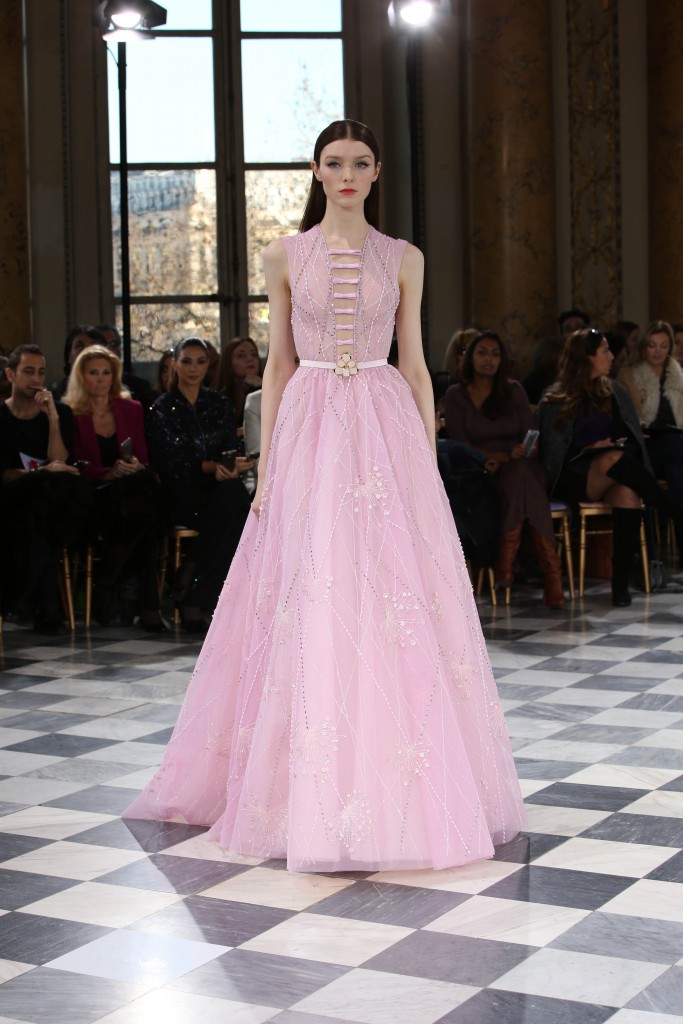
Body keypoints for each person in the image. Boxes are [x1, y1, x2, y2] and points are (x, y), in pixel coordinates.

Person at [124, 119, 525, 872]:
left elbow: (414, 364)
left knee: (388, 588)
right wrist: (270, 466)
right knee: (309, 585)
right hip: (310, 426)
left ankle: (397, 776)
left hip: (381, 423)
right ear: (315, 170)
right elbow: (277, 366)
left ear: (376, 172)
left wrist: (425, 457)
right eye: (334, 162)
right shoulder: (285, 254)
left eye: (360, 163)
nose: (346, 174)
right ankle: (296, 786)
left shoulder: (404, 258)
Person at [537, 328, 683, 606]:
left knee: (628, 494)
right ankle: (674, 511)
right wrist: (589, 449)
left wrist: (616, 444)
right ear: (587, 357)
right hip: (572, 475)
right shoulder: (556, 396)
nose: (612, 356)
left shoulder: (614, 391)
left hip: (613, 469)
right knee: (612, 458)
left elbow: (632, 439)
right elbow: (552, 453)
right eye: (605, 351)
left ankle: (620, 584)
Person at [444, 332, 564, 607]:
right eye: (482, 352)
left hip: (519, 466)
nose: (489, 359)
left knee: (521, 475)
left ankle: (506, 562)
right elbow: (459, 444)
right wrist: (500, 456)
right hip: (480, 472)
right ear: (470, 357)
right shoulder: (456, 395)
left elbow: (532, 436)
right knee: (523, 483)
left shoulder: (514, 391)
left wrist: (524, 451)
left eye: (495, 354)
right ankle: (551, 576)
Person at [146, 337, 254, 631]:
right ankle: (195, 594)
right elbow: (168, 461)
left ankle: (189, 575)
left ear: (209, 366)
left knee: (236, 498)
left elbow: (231, 446)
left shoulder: (219, 404)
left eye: (200, 362)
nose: (193, 369)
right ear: (174, 364)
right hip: (178, 491)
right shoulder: (162, 407)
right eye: (186, 362)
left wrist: (232, 465)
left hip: (215, 489)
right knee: (233, 513)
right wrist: (211, 466)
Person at [64, 345, 167, 631]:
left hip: (131, 494)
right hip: (96, 496)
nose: (100, 379)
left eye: (106, 373)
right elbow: (76, 465)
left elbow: (143, 458)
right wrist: (108, 473)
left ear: (114, 376)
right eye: (93, 373)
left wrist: (132, 466)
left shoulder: (131, 409)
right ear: (81, 376)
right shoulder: (71, 413)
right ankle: (146, 605)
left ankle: (108, 580)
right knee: (146, 518)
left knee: (141, 488)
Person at [0, 344, 91, 632]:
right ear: (10, 375)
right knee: (47, 503)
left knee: (52, 502)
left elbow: (60, 460)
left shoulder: (59, 412)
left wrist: (52, 418)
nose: (36, 379)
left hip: (49, 502)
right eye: (28, 372)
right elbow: (4, 475)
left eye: (41, 372)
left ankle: (32, 600)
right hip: (12, 500)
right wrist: (39, 473)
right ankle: (46, 604)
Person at [618, 320, 683, 563]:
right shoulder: (628, 376)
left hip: (675, 446)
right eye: (652, 345)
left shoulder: (679, 376)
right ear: (644, 346)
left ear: (670, 348)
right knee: (671, 445)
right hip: (645, 446)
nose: (657, 351)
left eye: (663, 346)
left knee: (676, 472)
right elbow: (624, 417)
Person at [97, 323, 155, 406]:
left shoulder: (141, 388)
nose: (108, 349)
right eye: (103, 345)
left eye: (113, 344)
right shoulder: (85, 386)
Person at [216, 336, 263, 428]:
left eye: (254, 354)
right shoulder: (219, 399)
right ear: (229, 363)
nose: (250, 358)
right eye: (241, 355)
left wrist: (260, 388)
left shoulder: (267, 390)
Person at [52, 325, 105, 400]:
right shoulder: (56, 393)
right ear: (69, 356)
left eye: (92, 346)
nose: (86, 351)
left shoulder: (112, 389)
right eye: (80, 346)